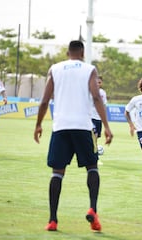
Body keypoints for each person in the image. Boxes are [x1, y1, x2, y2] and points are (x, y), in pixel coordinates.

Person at [34, 40, 113, 232]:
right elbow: (96, 97)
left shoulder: (55, 68)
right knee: (92, 167)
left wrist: (38, 124)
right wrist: (107, 127)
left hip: (60, 127)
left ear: (68, 52)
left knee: (57, 173)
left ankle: (53, 220)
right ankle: (93, 209)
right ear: (82, 52)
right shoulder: (89, 69)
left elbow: (45, 100)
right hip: (83, 127)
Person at [91, 75, 108, 165]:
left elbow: (104, 105)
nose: (98, 84)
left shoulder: (102, 93)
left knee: (96, 138)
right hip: (91, 118)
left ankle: (91, 153)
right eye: (96, 82)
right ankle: (95, 158)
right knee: (94, 137)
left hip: (98, 118)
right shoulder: (89, 91)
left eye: (99, 82)